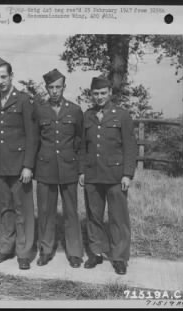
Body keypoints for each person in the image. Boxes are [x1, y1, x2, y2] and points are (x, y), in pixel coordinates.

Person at [80, 76, 137, 275]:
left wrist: (127, 174)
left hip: (115, 175)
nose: (99, 97)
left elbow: (131, 147)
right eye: (96, 93)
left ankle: (119, 257)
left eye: (103, 93)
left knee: (118, 218)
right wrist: (81, 171)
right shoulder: (87, 115)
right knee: (94, 217)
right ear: (91, 94)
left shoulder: (122, 115)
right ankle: (96, 253)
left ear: (110, 93)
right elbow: (81, 147)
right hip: (92, 175)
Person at [0, 57, 36, 270]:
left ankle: (24, 252)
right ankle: (5, 248)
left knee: (22, 210)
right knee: (4, 209)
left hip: (19, 166)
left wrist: (28, 165)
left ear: (11, 76)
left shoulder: (23, 100)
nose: (0, 81)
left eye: (4, 77)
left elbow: (32, 136)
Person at [33, 69, 84, 268]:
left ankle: (74, 252)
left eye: (58, 87)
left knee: (71, 212)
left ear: (64, 87)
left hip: (69, 168)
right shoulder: (39, 110)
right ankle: (45, 250)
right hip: (45, 168)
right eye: (51, 87)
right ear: (46, 88)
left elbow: (80, 142)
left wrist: (80, 170)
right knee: (45, 212)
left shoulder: (75, 110)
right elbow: (34, 140)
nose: (55, 91)